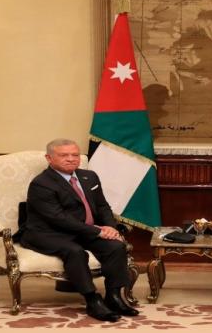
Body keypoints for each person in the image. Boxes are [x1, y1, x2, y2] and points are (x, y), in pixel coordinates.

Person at [19, 138, 139, 322]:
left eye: (75, 154)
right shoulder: (41, 183)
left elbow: (102, 206)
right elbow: (58, 219)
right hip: (47, 232)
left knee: (115, 247)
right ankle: (92, 300)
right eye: (64, 155)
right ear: (49, 158)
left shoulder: (89, 177)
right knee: (74, 252)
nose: (71, 159)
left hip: (83, 230)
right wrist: (97, 231)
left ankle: (114, 296)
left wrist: (110, 228)